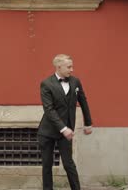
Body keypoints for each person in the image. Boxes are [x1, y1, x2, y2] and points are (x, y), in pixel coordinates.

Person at [37, 54, 93, 190]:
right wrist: (64, 128)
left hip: (66, 131)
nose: (72, 69)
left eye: (71, 66)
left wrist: (88, 123)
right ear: (58, 67)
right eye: (69, 67)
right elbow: (49, 110)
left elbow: (83, 101)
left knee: (68, 164)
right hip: (48, 131)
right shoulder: (46, 84)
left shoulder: (75, 82)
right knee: (47, 165)